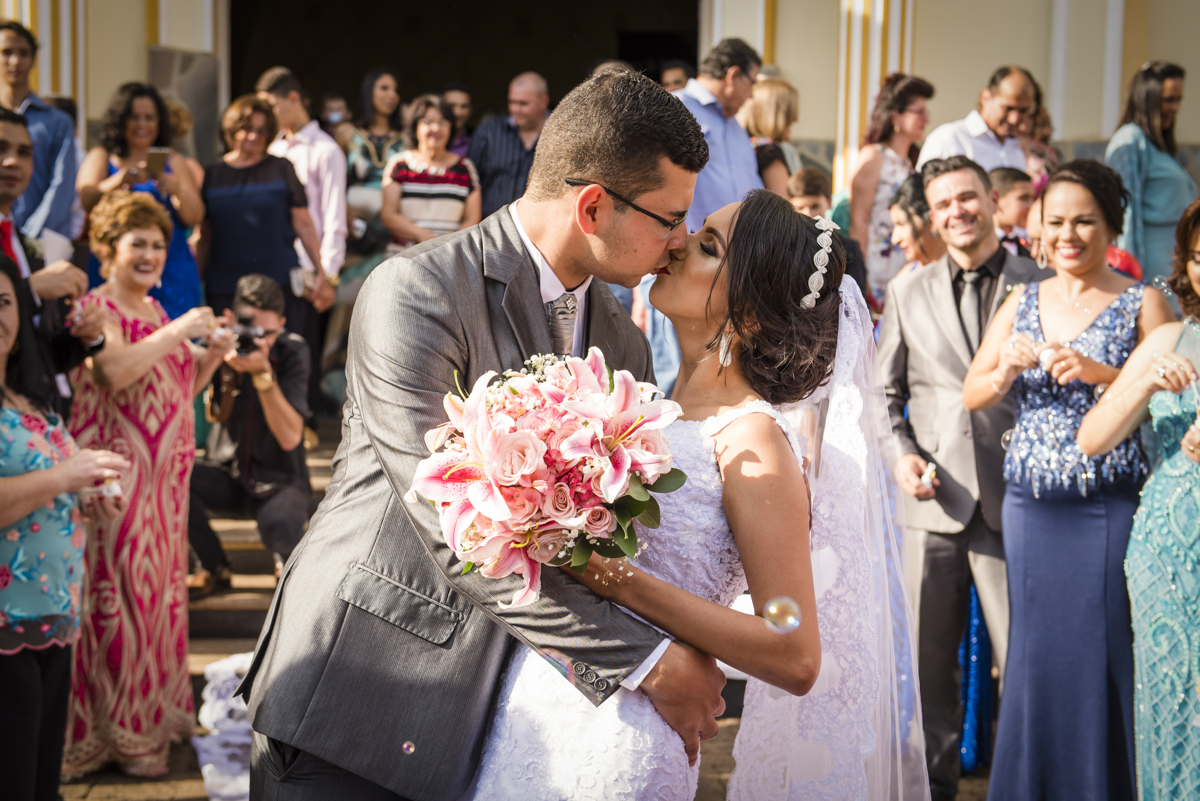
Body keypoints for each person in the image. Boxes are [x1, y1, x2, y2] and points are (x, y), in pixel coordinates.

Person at [239, 68, 727, 801]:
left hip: (506, 721)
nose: (681, 240)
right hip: (360, 694)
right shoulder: (419, 292)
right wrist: (648, 663)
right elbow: (455, 526)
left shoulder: (622, 348)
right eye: (671, 217)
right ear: (594, 206)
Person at [963, 160, 1175, 800]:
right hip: (1030, 508)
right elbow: (974, 391)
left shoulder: (1144, 301)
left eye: (1084, 220)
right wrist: (1004, 373)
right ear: (1036, 227)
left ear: (1112, 224)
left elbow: (1165, 394)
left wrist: (1099, 373)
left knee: (1101, 652)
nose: (1068, 234)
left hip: (1106, 507)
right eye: (1055, 221)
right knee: (1031, 659)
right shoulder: (1021, 298)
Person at [878, 154, 1052, 801]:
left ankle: (1022, 783)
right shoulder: (906, 290)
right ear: (932, 212)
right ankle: (933, 786)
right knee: (928, 669)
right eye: (943, 202)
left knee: (1025, 662)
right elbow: (883, 393)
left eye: (967, 197)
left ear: (991, 200)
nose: (957, 211)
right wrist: (900, 454)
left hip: (1022, 500)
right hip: (932, 500)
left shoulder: (1040, 283)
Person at [63, 190, 227, 778]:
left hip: (164, 487)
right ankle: (114, 735)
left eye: (159, 246)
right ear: (108, 249)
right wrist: (183, 327)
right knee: (117, 604)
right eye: (138, 243)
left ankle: (154, 718)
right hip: (117, 484)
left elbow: (170, 393)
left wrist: (210, 360)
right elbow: (112, 372)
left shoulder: (156, 312)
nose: (150, 255)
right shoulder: (96, 310)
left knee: (156, 602)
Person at [1077, 197, 1200, 798]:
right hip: (1166, 552)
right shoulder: (1171, 337)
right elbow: (1093, 437)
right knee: (1171, 704)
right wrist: (1146, 380)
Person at [0, 255, 129, 801]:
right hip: (5, 623)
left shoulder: (30, 399)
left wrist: (87, 494)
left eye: (4, 301)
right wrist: (65, 475)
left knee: (40, 782)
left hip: (54, 616)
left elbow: (54, 484)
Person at [189, 274, 311, 594]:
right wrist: (215, 351)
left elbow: (289, 437)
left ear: (282, 325)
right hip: (226, 473)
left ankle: (293, 573)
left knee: (279, 523)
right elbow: (181, 391)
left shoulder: (292, 352)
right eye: (248, 331)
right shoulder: (219, 347)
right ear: (232, 321)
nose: (256, 342)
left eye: (266, 333)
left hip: (280, 478)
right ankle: (213, 565)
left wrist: (262, 374)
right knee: (174, 477)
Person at [0, 107, 102, 417]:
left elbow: (36, 351)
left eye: (24, 152)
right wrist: (29, 290)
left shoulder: (25, 244)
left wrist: (86, 336)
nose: (13, 161)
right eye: (1, 148)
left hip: (37, 418)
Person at [77, 82, 204, 320]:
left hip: (170, 269)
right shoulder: (102, 156)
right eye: (134, 117)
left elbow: (195, 216)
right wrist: (120, 180)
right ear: (120, 120)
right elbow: (86, 199)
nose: (142, 125)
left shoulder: (174, 161)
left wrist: (177, 189)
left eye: (149, 118)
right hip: (117, 268)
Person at [196, 96, 323, 326]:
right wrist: (195, 279)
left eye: (262, 131)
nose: (254, 136)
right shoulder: (214, 174)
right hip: (225, 286)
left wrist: (320, 270)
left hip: (278, 283)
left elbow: (303, 223)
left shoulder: (281, 168)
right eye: (247, 129)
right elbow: (205, 233)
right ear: (233, 129)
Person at [256, 68, 343, 317]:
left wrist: (327, 277)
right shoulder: (273, 148)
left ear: (294, 98)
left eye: (272, 106)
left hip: (309, 275)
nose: (268, 115)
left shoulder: (326, 150)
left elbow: (334, 217)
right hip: (273, 268)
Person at [1106, 62, 1196, 288]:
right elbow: (1125, 213)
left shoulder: (1157, 145)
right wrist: (1129, 278)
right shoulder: (1129, 141)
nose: (1175, 108)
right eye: (1168, 99)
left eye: (1178, 100)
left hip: (1173, 264)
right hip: (1152, 269)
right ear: (1147, 99)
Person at [850, 73, 934, 307]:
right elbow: (859, 218)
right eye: (920, 112)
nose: (926, 119)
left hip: (907, 261)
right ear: (896, 115)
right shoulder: (874, 156)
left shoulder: (911, 161)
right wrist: (860, 273)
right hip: (878, 264)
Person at [0, 22, 77, 247]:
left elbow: (62, 184)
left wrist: (28, 236)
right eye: (6, 52)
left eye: (23, 53)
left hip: (44, 241)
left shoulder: (57, 121)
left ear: (33, 59)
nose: (15, 61)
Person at [673, 38, 762, 232]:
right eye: (752, 84)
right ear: (734, 75)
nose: (751, 95)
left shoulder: (736, 127)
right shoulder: (675, 108)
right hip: (691, 248)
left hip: (737, 250)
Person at [379, 94, 481, 251]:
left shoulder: (465, 167)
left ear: (451, 128)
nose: (436, 128)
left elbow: (473, 218)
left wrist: (447, 246)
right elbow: (388, 215)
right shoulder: (399, 164)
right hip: (402, 258)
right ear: (415, 127)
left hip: (449, 259)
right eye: (428, 122)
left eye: (442, 122)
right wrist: (424, 237)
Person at [917, 66, 1035, 173]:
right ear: (986, 97)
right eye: (1008, 108)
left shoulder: (1018, 147)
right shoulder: (950, 138)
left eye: (1023, 111)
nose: (1014, 119)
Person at [467, 72, 549, 218]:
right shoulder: (488, 132)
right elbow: (470, 182)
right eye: (512, 102)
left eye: (523, 103)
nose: (515, 109)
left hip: (539, 231)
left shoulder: (561, 134)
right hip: (490, 229)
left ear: (543, 101)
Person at [787, 166, 868, 297]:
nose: (808, 214)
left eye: (815, 206)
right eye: (800, 207)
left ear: (829, 202)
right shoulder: (783, 247)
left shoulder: (849, 250)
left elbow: (855, 300)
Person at [340, 67, 405, 217]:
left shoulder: (406, 138)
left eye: (396, 91)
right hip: (353, 223)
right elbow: (334, 181)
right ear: (369, 91)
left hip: (396, 223)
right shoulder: (347, 133)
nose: (392, 95)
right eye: (384, 88)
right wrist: (345, 213)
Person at [736, 75, 801, 187]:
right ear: (775, 115)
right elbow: (782, 201)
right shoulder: (770, 153)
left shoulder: (744, 145)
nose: (795, 119)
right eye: (789, 114)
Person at [889, 172, 946, 280]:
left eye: (901, 224)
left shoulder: (967, 271)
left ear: (932, 218)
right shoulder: (905, 277)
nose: (894, 240)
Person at [990, 166, 1035, 256]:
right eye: (1024, 198)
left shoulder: (1031, 244)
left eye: (1033, 198)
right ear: (995, 199)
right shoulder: (975, 243)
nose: (1032, 205)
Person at [443, 81, 473, 157]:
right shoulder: (429, 141)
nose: (458, 112)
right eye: (452, 106)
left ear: (471, 110)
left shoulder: (477, 143)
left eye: (464, 106)